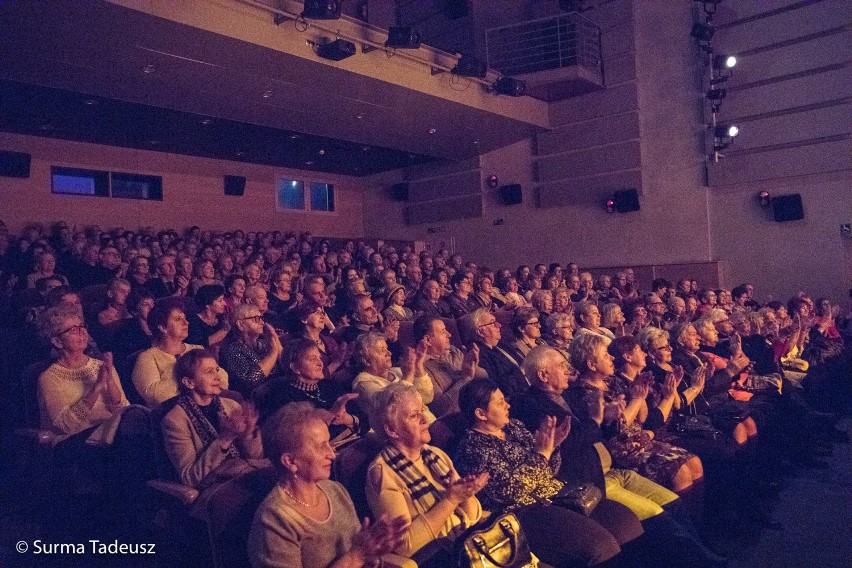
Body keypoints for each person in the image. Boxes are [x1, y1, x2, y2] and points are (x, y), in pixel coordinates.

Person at [454, 378, 625, 568]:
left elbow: (549, 470)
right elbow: (513, 490)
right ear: (481, 413)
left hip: (554, 495)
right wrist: (543, 454)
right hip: (523, 512)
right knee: (602, 547)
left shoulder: (513, 427)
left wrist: (553, 448)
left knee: (625, 523)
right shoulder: (473, 449)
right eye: (500, 402)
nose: (507, 405)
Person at [248, 403, 408, 568]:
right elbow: (357, 555)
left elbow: (362, 555)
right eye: (321, 447)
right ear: (290, 461)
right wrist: (357, 556)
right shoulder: (275, 520)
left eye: (329, 443)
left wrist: (374, 551)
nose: (332, 454)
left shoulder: (334, 490)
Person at [366, 382, 486, 566]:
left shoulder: (435, 455)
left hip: (468, 545)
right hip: (437, 559)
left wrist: (467, 494)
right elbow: (404, 544)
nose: (425, 420)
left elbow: (472, 516)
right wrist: (451, 500)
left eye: (423, 411)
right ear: (391, 429)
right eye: (414, 415)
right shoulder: (382, 473)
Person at [162, 349, 267, 515]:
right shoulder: (175, 420)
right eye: (209, 372)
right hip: (214, 491)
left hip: (246, 476)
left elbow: (256, 457)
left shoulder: (231, 406)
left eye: (217, 370)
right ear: (189, 383)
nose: (218, 377)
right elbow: (190, 477)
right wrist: (225, 440)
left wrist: (248, 434)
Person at [605, 337, 704, 492]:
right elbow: (643, 422)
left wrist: (648, 393)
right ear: (627, 356)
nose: (644, 354)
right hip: (630, 444)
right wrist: (646, 397)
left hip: (648, 435)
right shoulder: (615, 383)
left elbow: (644, 418)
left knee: (695, 462)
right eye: (639, 350)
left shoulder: (642, 378)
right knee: (682, 471)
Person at [253, 338, 365, 449]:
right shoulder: (281, 397)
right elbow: (294, 440)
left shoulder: (330, 386)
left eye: (319, 358)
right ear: (295, 367)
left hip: (358, 441)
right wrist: (329, 416)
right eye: (312, 358)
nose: (320, 363)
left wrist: (347, 419)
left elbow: (365, 421)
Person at [133, 297, 229, 407]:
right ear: (163, 328)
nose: (186, 322)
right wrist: (198, 378)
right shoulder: (148, 358)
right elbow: (157, 396)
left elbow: (223, 380)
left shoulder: (196, 349)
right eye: (178, 319)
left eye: (185, 318)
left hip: (207, 405)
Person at [352, 331, 436, 424]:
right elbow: (396, 409)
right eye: (382, 350)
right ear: (366, 360)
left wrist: (419, 364)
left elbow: (427, 397)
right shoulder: (363, 384)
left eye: (387, 349)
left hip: (429, 423)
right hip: (409, 433)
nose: (389, 353)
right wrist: (409, 375)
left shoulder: (397, 371)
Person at [413, 315, 482, 417]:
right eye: (443, 331)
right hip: (461, 416)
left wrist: (475, 367)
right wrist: (466, 378)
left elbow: (482, 378)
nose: (449, 334)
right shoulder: (421, 369)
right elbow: (440, 408)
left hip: (480, 402)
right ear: (428, 341)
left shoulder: (453, 351)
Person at [460, 308, 529, 402]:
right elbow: (497, 385)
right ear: (480, 332)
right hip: (516, 399)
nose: (499, 325)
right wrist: (521, 373)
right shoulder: (477, 354)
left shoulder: (502, 344)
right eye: (493, 323)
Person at [219, 303, 284, 397]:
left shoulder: (261, 344)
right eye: (256, 319)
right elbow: (251, 380)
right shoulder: (231, 349)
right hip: (258, 397)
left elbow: (286, 366)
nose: (262, 322)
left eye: (261, 318)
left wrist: (274, 337)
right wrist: (273, 352)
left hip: (278, 389)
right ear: (240, 324)